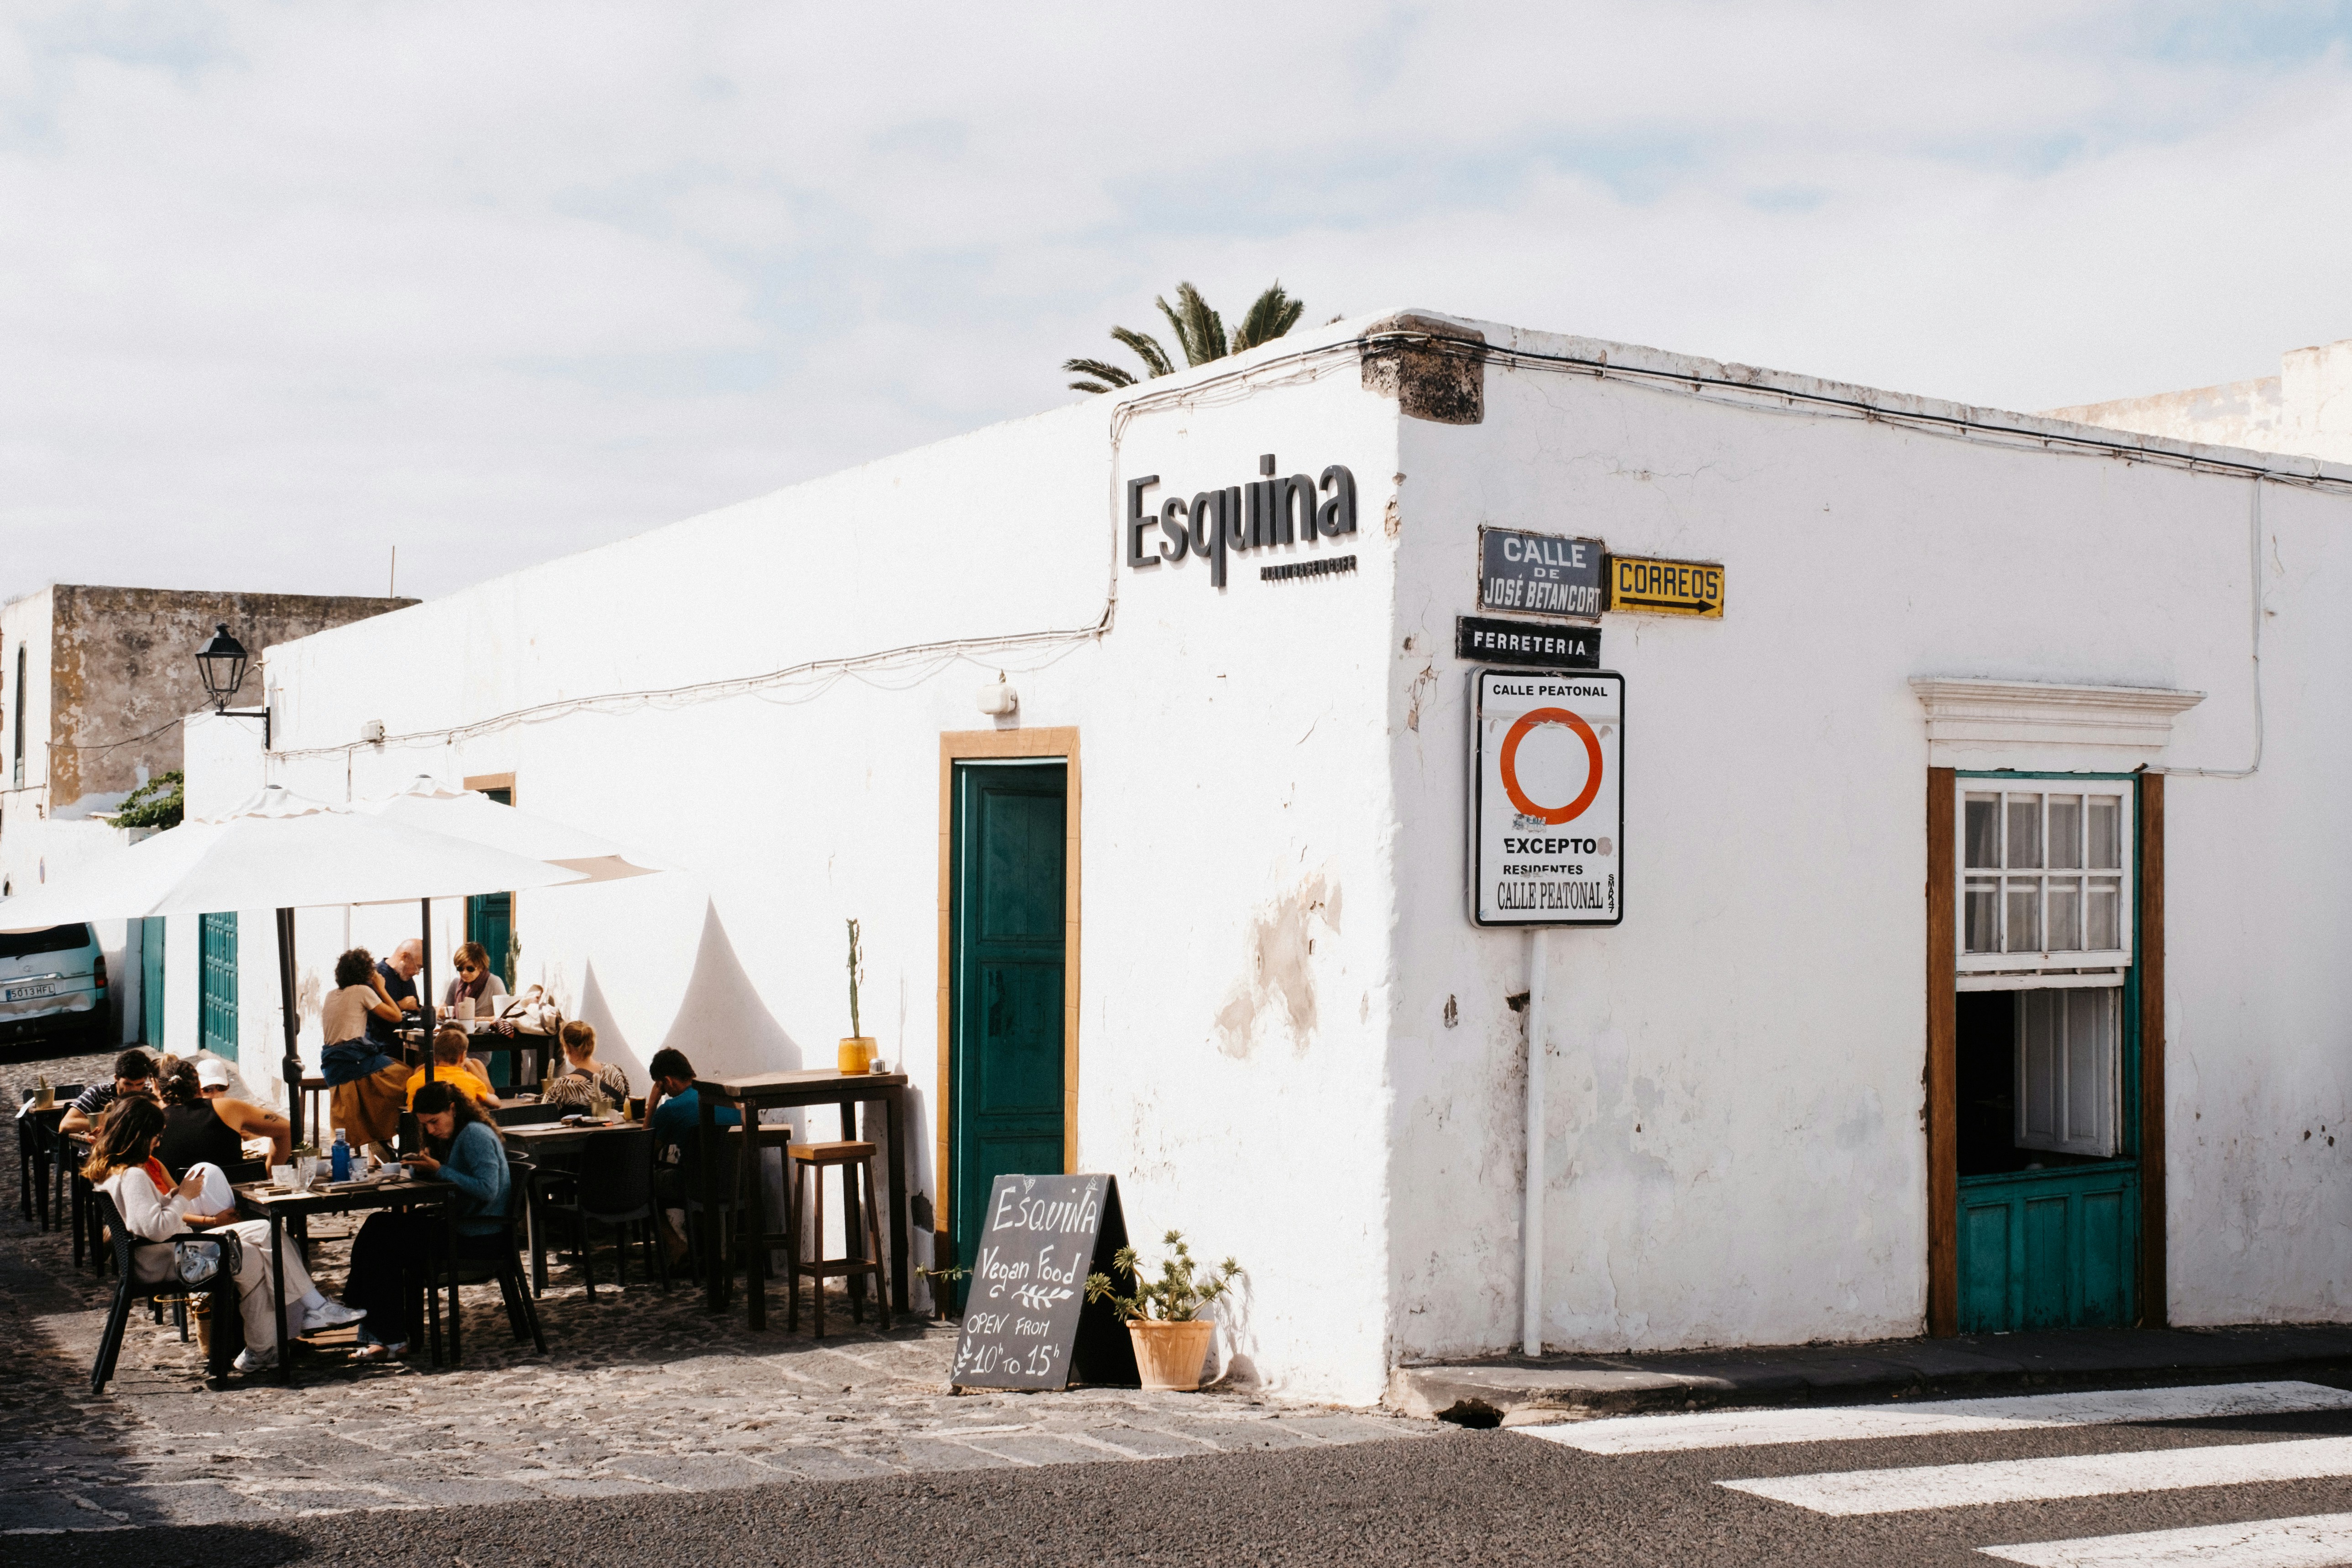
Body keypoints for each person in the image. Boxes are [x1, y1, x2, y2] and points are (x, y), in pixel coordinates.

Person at [82, 1096, 365, 1374]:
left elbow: (146, 1220)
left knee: (256, 1260)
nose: (158, 1142)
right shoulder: (132, 1174)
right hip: (173, 1262)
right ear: (140, 1135)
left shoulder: (114, 1172)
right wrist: (184, 1198)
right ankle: (316, 1306)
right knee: (265, 1230)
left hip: (167, 1257)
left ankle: (261, 1352)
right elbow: (156, 1230)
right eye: (156, 1136)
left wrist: (176, 1195)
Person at [337, 1081, 511, 1362]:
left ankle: (365, 1317)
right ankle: (385, 1335)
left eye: (435, 1122)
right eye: (425, 1125)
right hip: (461, 1227)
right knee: (379, 1228)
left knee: (382, 1237)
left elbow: (487, 1189)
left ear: (453, 1109)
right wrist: (421, 1168)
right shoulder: (455, 1135)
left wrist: (440, 1170)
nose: (431, 1130)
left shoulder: (475, 1135)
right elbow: (448, 1178)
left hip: (478, 1237)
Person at [646, 1048, 737, 1264]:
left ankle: (678, 1247)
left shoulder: (670, 1110)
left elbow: (644, 1153)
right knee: (695, 1168)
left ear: (667, 1081)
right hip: (738, 1182)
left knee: (643, 1186)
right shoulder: (724, 1097)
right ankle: (705, 1249)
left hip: (699, 1186)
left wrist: (652, 1106)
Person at [321, 948, 412, 1154]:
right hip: (354, 1061)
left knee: (387, 1074)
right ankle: (394, 1134)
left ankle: (382, 1140)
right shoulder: (362, 991)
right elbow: (396, 1016)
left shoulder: (330, 995)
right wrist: (381, 987)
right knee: (411, 1078)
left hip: (335, 1063)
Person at [158, 1059, 292, 1175]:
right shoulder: (228, 1107)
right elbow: (286, 1129)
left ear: (160, 1091)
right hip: (234, 1198)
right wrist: (269, 1175)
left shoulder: (153, 1121)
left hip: (181, 1201)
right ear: (199, 1086)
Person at [60, 1049, 159, 1136]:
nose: (134, 1090)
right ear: (116, 1078)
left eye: (140, 1084)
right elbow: (66, 1124)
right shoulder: (98, 1093)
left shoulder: (150, 1095)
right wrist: (112, 1125)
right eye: (128, 1084)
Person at [405, 1025, 499, 1111]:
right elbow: (496, 1103)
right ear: (463, 1056)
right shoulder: (471, 1081)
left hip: (418, 1128)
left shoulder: (414, 1080)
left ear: (434, 1056)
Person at [542, 1021, 629, 1111]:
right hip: (615, 1124)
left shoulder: (562, 1087)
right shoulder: (616, 1072)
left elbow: (544, 1115)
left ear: (568, 1048)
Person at [367, 938, 426, 1053]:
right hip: (381, 1048)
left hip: (408, 1046)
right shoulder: (375, 976)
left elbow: (414, 1010)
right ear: (405, 957)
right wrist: (400, 1005)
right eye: (417, 967)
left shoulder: (406, 978)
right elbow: (371, 1015)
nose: (417, 973)